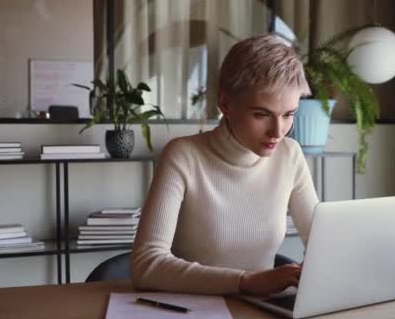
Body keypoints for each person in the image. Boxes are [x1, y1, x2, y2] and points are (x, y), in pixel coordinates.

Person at [131, 34, 319, 296]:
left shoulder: (290, 154)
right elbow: (146, 265)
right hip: (195, 309)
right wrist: (246, 282)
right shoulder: (183, 155)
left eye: (289, 115)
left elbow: (322, 245)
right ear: (225, 103)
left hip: (261, 309)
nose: (278, 131)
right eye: (261, 114)